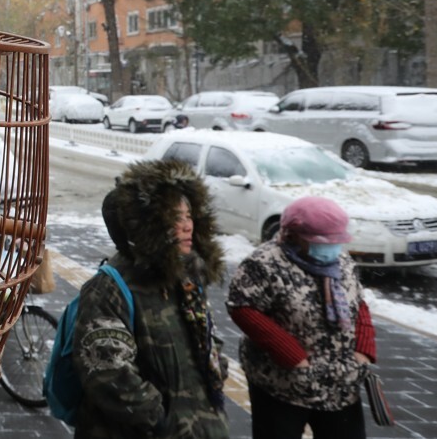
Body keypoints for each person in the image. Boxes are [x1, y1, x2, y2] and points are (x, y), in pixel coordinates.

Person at [73, 159, 229, 438]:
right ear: (149, 225)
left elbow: (206, 337)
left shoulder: (186, 276)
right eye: (175, 218)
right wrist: (164, 422)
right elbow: (109, 375)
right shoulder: (109, 289)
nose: (186, 226)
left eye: (189, 215)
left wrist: (215, 371)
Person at [227, 197, 376, 439]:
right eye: (323, 241)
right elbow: (242, 307)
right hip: (284, 382)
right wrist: (292, 356)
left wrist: (363, 350)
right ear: (294, 234)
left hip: (341, 381)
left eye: (337, 240)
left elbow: (358, 303)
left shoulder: (342, 261)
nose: (332, 247)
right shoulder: (263, 263)